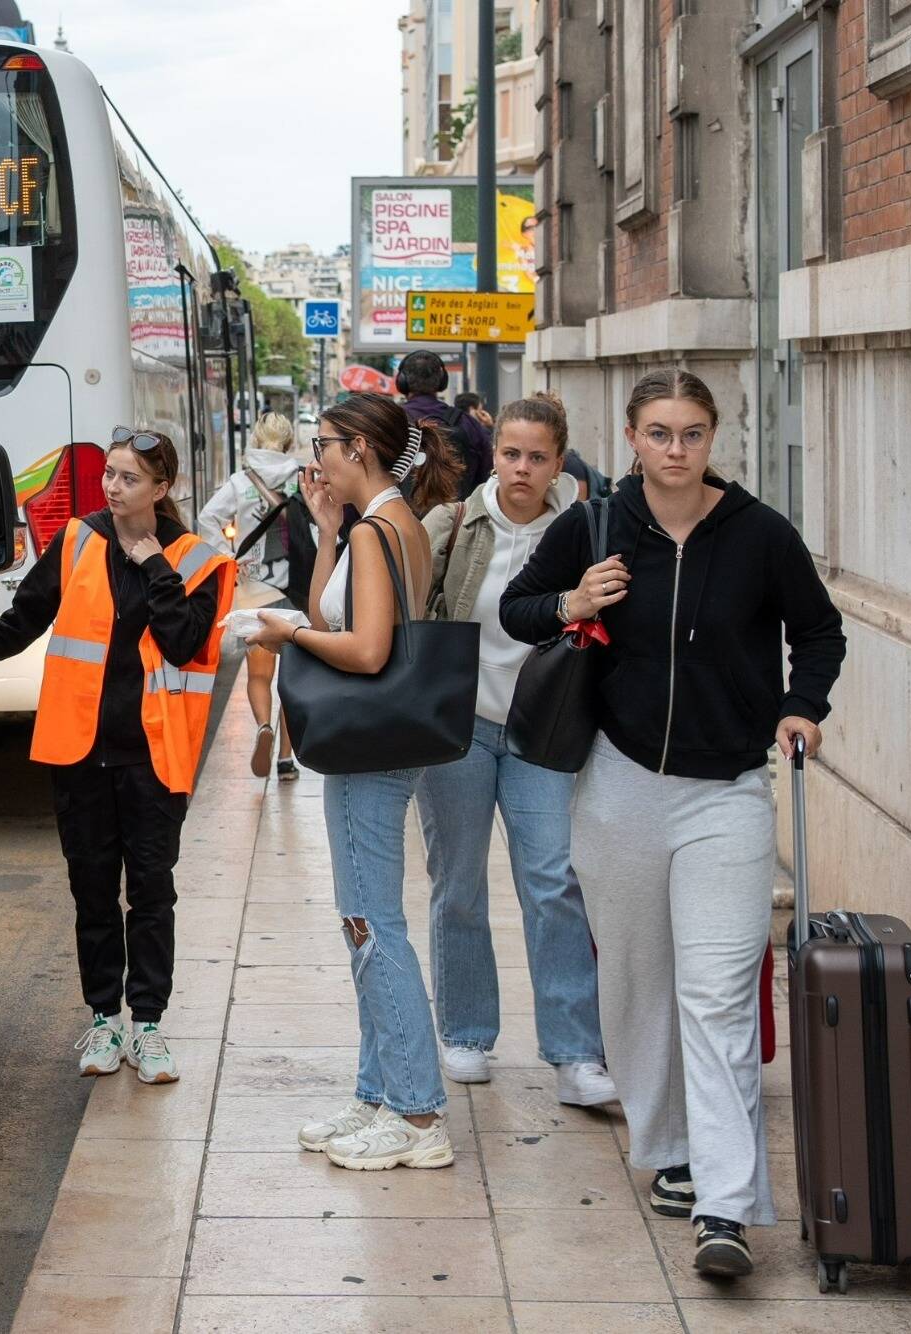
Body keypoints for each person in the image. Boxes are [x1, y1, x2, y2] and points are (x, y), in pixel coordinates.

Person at [500, 368, 846, 1278]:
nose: (677, 450)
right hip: (617, 784)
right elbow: (515, 609)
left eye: (693, 433)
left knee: (720, 991)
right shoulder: (596, 524)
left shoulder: (761, 534)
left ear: (713, 437)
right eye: (659, 433)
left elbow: (820, 633)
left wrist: (802, 706)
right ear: (631, 435)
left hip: (727, 791)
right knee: (639, 985)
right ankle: (672, 1154)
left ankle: (727, 1207)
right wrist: (573, 601)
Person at [0, 427, 235, 1086]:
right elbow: (21, 621)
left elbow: (182, 643)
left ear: (162, 488)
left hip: (154, 757)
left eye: (129, 479)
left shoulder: (199, 560)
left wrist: (154, 566)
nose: (113, 488)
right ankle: (103, 1018)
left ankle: (147, 1025)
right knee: (91, 891)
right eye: (110, 475)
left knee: (151, 893)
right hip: (79, 753)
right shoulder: (79, 539)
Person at [246, 393, 465, 1172]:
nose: (318, 461)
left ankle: (417, 1113)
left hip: (371, 749)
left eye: (326, 446)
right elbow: (332, 613)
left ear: (361, 451)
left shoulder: (383, 530)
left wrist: (285, 632)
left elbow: (365, 649)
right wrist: (326, 533)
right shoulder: (383, 524)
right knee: (364, 920)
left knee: (373, 924)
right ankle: (378, 1093)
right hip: (380, 741)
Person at [415, 393, 616, 1107]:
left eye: (537, 457)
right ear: (491, 454)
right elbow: (404, 603)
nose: (522, 469)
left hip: (545, 733)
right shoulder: (455, 521)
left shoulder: (585, 531)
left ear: (560, 462)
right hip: (459, 727)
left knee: (554, 882)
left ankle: (574, 1052)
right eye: (510, 454)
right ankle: (466, 1031)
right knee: (459, 884)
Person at [197, 411, 312, 781]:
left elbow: (206, 519)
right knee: (292, 681)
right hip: (297, 590)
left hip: (254, 593)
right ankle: (285, 758)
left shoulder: (239, 481)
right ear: (289, 443)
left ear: (255, 442)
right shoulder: (302, 479)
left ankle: (263, 726)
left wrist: (227, 558)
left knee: (259, 675)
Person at [398, 350, 492, 499]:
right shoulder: (468, 424)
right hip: (456, 519)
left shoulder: (387, 421)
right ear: (443, 381)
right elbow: (488, 477)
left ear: (402, 381)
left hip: (396, 519)